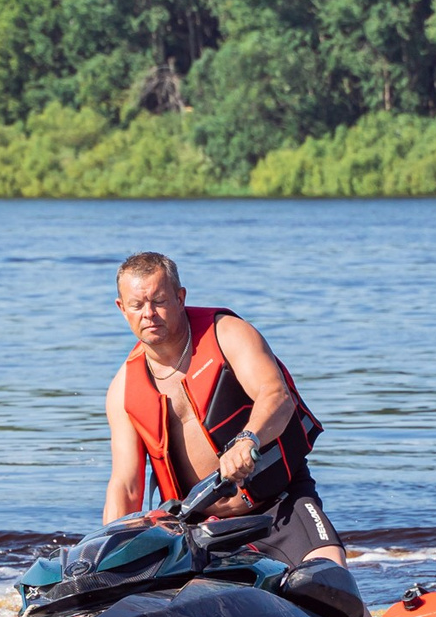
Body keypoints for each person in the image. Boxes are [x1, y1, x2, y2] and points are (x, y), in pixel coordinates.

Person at [103, 251, 362, 587]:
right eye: (138, 305)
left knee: (330, 581)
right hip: (198, 528)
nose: (149, 313)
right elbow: (127, 485)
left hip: (278, 504)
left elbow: (277, 397)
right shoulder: (123, 389)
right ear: (122, 309)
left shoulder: (228, 334)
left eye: (160, 301)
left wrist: (248, 438)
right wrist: (109, 551)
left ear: (180, 298)